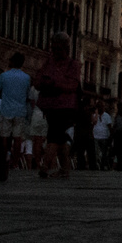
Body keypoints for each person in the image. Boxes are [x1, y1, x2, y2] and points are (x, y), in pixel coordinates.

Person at [34, 34, 82, 181]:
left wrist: (55, 83)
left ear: (66, 48)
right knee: (60, 138)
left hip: (65, 106)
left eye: (58, 48)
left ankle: (45, 165)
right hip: (51, 106)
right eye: (54, 48)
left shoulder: (73, 65)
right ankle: (64, 169)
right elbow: (37, 82)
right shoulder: (49, 62)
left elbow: (73, 85)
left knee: (53, 135)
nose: (55, 52)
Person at [0, 53, 34, 163]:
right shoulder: (26, 78)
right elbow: (28, 95)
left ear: (12, 62)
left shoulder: (3, 76)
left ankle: (3, 160)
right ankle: (15, 162)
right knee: (17, 137)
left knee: (4, 136)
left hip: (6, 109)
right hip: (20, 111)